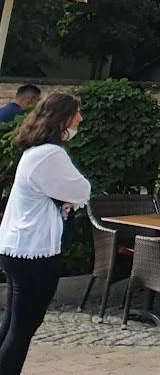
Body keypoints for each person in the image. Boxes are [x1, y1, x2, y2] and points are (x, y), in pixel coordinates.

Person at [0, 92, 91, 375]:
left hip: (18, 246)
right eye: (77, 113)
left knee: (12, 325)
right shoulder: (50, 154)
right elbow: (81, 190)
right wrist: (71, 198)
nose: (81, 119)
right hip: (34, 251)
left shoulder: (35, 151)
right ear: (63, 118)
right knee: (22, 330)